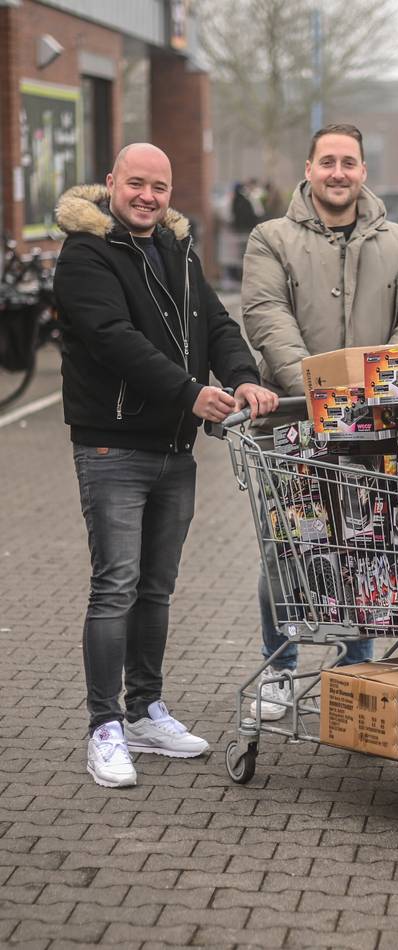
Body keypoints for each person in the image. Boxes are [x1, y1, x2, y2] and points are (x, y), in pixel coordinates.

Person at [54, 143, 278, 788]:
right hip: (112, 447)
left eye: (159, 186)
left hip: (174, 449)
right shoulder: (86, 253)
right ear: (111, 184)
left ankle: (146, 710)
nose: (147, 196)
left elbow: (214, 324)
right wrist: (190, 392)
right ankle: (105, 726)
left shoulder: (178, 250)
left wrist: (242, 377)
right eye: (136, 184)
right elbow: (113, 339)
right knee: (115, 586)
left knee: (156, 588)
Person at [241, 123, 398, 720]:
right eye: (326, 161)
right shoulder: (270, 237)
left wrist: (379, 381)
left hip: (378, 427)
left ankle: (356, 669)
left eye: (348, 162)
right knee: (287, 549)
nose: (337, 172)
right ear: (308, 169)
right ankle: (279, 669)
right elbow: (264, 313)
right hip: (294, 422)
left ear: (362, 173)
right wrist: (320, 386)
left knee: (367, 546)